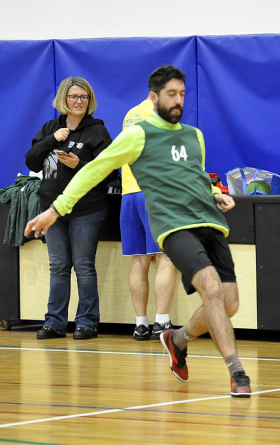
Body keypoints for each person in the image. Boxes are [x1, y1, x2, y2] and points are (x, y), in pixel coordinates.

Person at [25, 65, 252, 398]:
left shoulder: (194, 135)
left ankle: (178, 339)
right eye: (171, 94)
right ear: (154, 97)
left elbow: (194, 176)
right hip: (173, 225)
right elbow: (94, 171)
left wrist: (214, 193)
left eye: (182, 94)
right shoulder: (137, 135)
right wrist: (54, 210)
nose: (178, 100)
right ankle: (237, 371)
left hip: (209, 223)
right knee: (211, 289)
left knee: (229, 304)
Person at [25, 76, 112, 341]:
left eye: (84, 97)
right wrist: (52, 139)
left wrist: (80, 165)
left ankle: (87, 322)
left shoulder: (97, 131)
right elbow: (32, 161)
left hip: (87, 209)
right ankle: (54, 323)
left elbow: (110, 173)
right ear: (64, 99)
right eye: (73, 96)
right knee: (58, 266)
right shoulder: (50, 128)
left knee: (84, 266)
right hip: (52, 208)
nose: (79, 101)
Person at [120, 98, 177, 341]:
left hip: (129, 193)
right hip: (155, 192)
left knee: (139, 260)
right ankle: (162, 322)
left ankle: (140, 324)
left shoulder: (131, 113)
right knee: (166, 257)